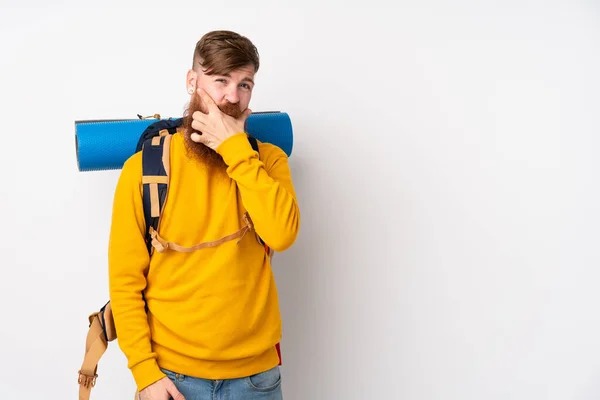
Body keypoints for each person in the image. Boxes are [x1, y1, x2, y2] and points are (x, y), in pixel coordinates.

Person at [108, 30, 300, 400]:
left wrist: (234, 149)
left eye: (245, 84)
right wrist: (145, 374)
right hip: (171, 377)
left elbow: (282, 234)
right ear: (192, 81)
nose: (232, 96)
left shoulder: (267, 161)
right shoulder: (145, 169)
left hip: (256, 379)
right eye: (220, 80)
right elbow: (125, 282)